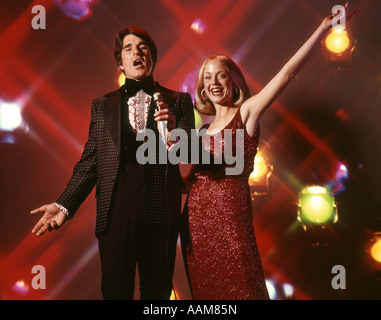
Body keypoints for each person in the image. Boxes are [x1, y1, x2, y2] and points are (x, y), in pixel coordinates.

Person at [181, 4, 358, 300]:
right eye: (207, 78)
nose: (213, 83)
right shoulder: (199, 132)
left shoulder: (246, 112)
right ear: (201, 88)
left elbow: (287, 74)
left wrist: (322, 29)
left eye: (220, 75)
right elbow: (189, 183)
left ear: (232, 80)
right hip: (195, 230)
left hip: (231, 222)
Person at [30, 25, 195, 300]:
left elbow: (188, 154)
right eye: (129, 49)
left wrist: (174, 133)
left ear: (152, 57)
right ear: (120, 62)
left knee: (157, 295)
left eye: (142, 47)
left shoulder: (178, 100)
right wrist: (64, 204)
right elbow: (91, 161)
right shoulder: (102, 104)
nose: (136, 52)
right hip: (115, 207)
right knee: (116, 291)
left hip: (160, 209)